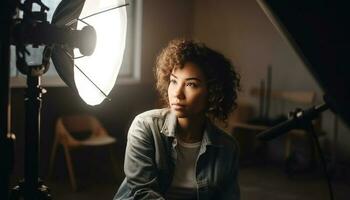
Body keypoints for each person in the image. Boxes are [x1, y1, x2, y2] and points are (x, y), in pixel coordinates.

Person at [114, 38, 241, 200]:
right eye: (174, 81)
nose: (177, 93)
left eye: (191, 84)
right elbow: (143, 193)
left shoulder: (227, 147)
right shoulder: (145, 126)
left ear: (213, 93)